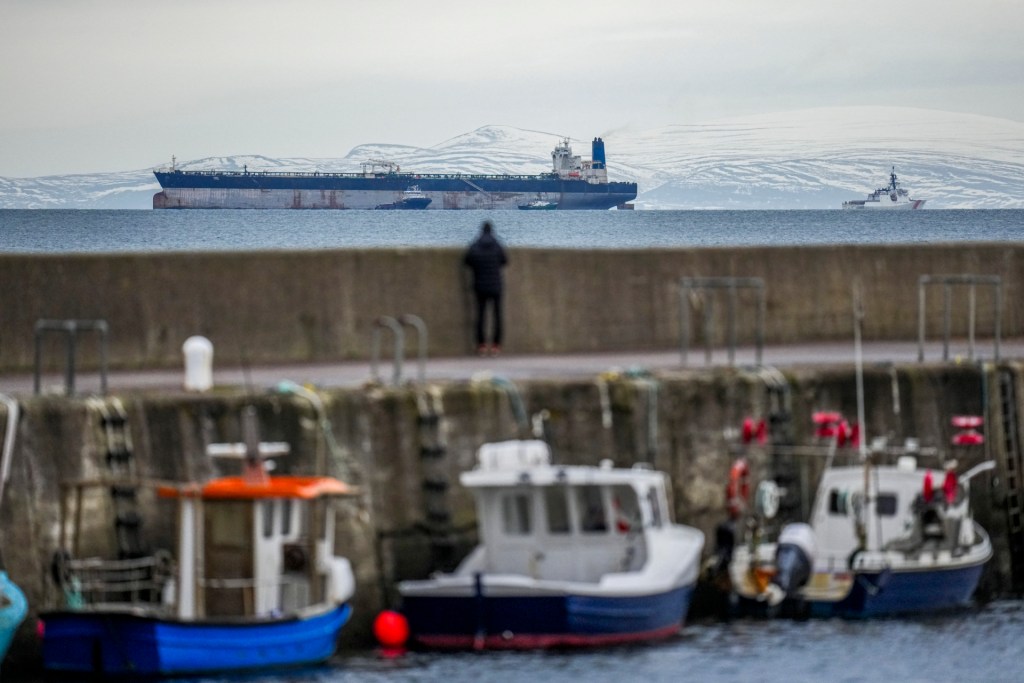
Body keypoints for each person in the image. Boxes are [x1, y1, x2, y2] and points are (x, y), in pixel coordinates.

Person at [463, 220, 508, 356]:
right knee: (497, 316)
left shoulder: (475, 245)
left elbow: (467, 260)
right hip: (496, 286)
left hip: (480, 286)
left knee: (480, 316)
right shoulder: (497, 245)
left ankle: (481, 345)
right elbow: (505, 260)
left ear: (481, 231)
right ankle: (496, 345)